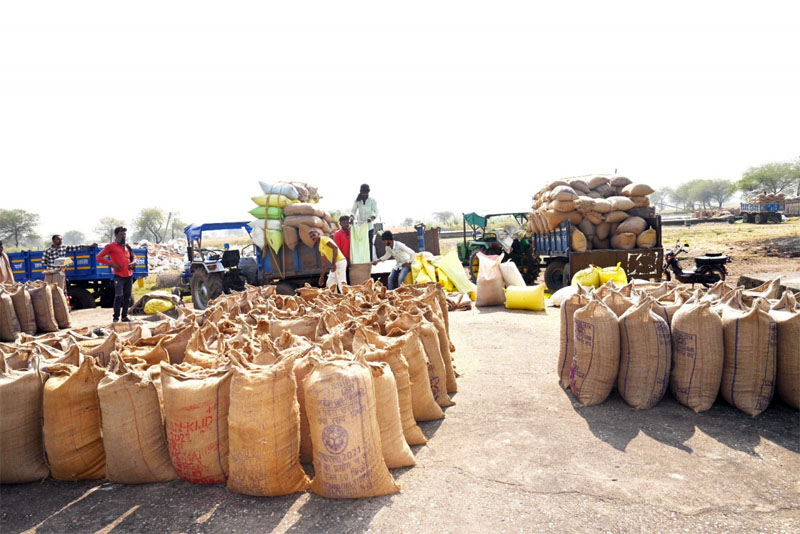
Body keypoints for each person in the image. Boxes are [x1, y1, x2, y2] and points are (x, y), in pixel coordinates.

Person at [96, 227, 136, 322]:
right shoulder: (110, 246)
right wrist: (111, 263)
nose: (124, 236)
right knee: (119, 296)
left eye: (125, 234)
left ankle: (124, 316)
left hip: (129, 275)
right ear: (116, 235)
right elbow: (99, 257)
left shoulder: (127, 246)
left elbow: (134, 256)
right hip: (119, 275)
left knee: (127, 296)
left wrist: (134, 262)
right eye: (122, 234)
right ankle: (116, 317)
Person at [309, 228, 348, 293]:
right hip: (335, 264)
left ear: (318, 234)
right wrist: (321, 277)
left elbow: (335, 248)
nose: (313, 237)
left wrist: (333, 264)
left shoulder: (324, 239)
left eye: (314, 235)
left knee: (341, 284)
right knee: (330, 283)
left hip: (340, 262)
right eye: (311, 237)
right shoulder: (320, 247)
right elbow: (324, 264)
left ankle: (348, 300)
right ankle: (333, 300)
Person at [351, 183, 379, 260]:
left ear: (368, 192)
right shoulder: (357, 201)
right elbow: (353, 211)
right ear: (361, 192)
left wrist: (371, 218)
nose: (364, 195)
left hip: (369, 227)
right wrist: (351, 217)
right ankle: (361, 260)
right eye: (363, 193)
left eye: (365, 193)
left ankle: (369, 260)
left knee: (369, 244)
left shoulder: (372, 201)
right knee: (361, 244)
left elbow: (376, 212)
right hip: (360, 226)